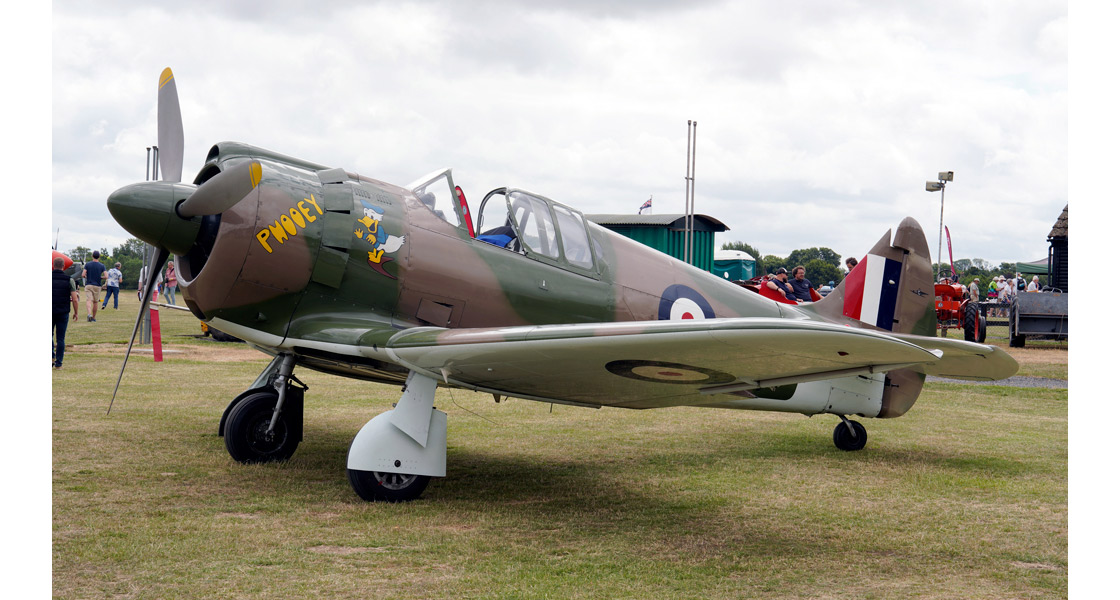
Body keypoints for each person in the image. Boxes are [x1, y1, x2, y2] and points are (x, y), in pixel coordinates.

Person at [53, 256, 79, 369]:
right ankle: (59, 363)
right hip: (63, 311)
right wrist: (76, 312)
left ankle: (50, 357)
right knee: (60, 338)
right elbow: (74, 298)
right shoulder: (69, 280)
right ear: (64, 266)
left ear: (53, 266)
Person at [82, 250, 107, 322]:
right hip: (97, 286)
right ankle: (93, 317)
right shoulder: (102, 266)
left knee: (89, 300)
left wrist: (87, 276)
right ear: (99, 257)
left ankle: (89, 314)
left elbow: (83, 275)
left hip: (89, 285)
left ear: (92, 256)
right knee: (95, 302)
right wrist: (100, 277)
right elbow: (106, 276)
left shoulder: (87, 264)